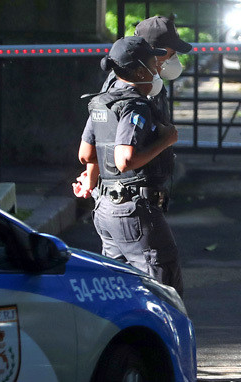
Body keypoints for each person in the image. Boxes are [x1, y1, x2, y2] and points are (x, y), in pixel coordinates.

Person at [74, 35, 184, 291]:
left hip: (105, 210)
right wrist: (166, 140)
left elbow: (86, 155)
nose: (157, 68)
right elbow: (125, 160)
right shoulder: (135, 106)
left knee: (118, 288)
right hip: (134, 211)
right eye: (152, 64)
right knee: (162, 286)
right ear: (137, 70)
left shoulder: (102, 101)